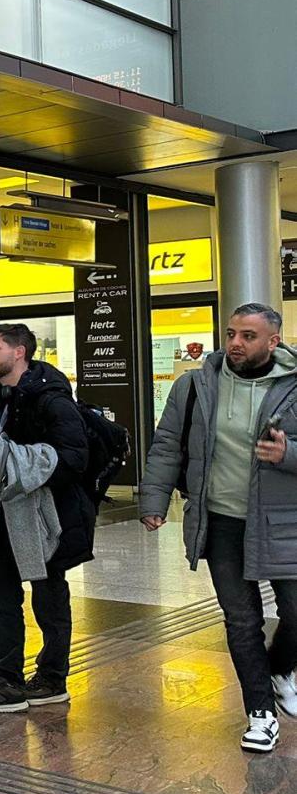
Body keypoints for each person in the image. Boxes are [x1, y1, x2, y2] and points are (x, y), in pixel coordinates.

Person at [140, 303, 297, 752]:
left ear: (273, 341)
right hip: (221, 520)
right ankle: (260, 712)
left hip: (284, 519)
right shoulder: (196, 384)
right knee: (242, 620)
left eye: (248, 336)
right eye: (231, 333)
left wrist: (287, 454)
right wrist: (154, 500)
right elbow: (167, 445)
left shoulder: (293, 385)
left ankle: (280, 668)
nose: (235, 343)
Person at [0, 323, 94, 714]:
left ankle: (52, 678)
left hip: (45, 516)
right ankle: (5, 681)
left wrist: (13, 459)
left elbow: (74, 458)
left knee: (48, 597)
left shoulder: (51, 398)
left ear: (19, 352)